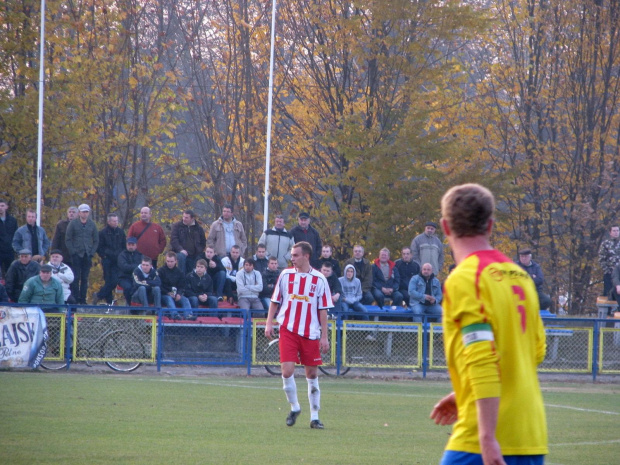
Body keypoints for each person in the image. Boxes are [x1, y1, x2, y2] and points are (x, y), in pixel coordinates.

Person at [430, 183, 547, 465]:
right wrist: (465, 391)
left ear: (445, 227)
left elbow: (483, 357)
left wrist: (486, 437)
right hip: (530, 436)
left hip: (482, 441)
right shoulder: (520, 276)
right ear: (490, 225)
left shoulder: (465, 278)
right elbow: (535, 351)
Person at [265, 241, 333, 430]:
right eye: (292, 255)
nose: (292, 258)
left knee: (311, 374)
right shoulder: (285, 275)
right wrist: (269, 323)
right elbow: (274, 301)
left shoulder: (319, 279)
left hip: (310, 333)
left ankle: (315, 417)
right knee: (287, 371)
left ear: (306, 256)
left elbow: (323, 310)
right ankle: (295, 407)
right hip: (288, 329)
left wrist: (324, 336)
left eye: (295, 255)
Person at [65, 204, 99, 304]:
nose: (85, 213)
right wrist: (73, 252)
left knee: (85, 278)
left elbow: (96, 240)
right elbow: (68, 239)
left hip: (87, 255)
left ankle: (83, 299)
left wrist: (92, 252)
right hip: (76, 255)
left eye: (86, 212)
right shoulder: (73, 224)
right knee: (75, 278)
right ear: (79, 213)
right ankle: (75, 298)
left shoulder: (92, 224)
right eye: (83, 211)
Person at [92, 213, 126, 305]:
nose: (116, 223)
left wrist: (121, 257)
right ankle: (109, 302)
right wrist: (104, 256)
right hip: (107, 260)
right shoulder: (102, 233)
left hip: (117, 261)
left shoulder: (121, 232)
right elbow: (99, 247)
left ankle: (99, 295)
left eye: (117, 221)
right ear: (109, 221)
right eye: (114, 221)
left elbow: (124, 246)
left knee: (114, 281)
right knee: (108, 281)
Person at [170, 209, 206, 274]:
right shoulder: (177, 226)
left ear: (192, 218)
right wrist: (180, 249)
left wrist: (198, 251)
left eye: (186, 217)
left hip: (194, 255)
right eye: (183, 217)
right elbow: (174, 240)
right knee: (181, 257)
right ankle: (181, 279)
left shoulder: (198, 229)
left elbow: (203, 243)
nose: (184, 219)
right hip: (180, 252)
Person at [158, 251, 192, 320]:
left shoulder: (180, 272)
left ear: (176, 261)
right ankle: (175, 315)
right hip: (164, 294)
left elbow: (182, 286)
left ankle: (188, 315)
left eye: (171, 261)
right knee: (168, 298)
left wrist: (179, 294)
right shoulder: (160, 271)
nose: (169, 263)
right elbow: (159, 285)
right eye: (168, 261)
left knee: (185, 299)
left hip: (176, 294)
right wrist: (167, 292)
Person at [117, 237, 144, 305]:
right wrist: (137, 266)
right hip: (124, 278)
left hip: (137, 278)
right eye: (129, 244)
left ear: (136, 245)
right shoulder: (122, 255)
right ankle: (130, 306)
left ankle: (140, 305)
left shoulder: (140, 255)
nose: (131, 246)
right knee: (128, 287)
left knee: (142, 287)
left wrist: (133, 267)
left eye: (132, 245)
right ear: (126, 245)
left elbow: (143, 267)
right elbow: (124, 267)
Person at [598, 225, 620, 298]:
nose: (616, 232)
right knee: (608, 294)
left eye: (617, 230)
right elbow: (601, 259)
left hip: (619, 274)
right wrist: (607, 270)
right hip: (609, 273)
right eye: (614, 231)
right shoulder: (605, 244)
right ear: (610, 232)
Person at [0, 198, 18, 277]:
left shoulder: (13, 220)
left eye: (2, 205)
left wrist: (14, 248)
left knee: (10, 273)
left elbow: (16, 235)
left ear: (6, 207)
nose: (0, 208)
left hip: (10, 251)